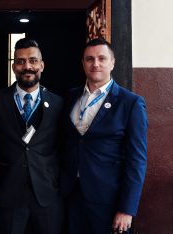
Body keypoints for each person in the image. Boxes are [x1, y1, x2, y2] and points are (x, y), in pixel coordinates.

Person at [60, 37, 148, 234]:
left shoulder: (131, 103)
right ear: (83, 63)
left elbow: (137, 161)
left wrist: (127, 209)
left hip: (109, 201)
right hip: (72, 197)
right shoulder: (70, 97)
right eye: (89, 59)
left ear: (113, 62)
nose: (95, 64)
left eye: (102, 58)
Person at [0, 38, 64, 234]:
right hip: (8, 194)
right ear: (14, 66)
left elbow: (63, 147)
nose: (27, 66)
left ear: (42, 65)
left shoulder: (58, 103)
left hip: (47, 196)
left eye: (32, 60)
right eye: (21, 61)